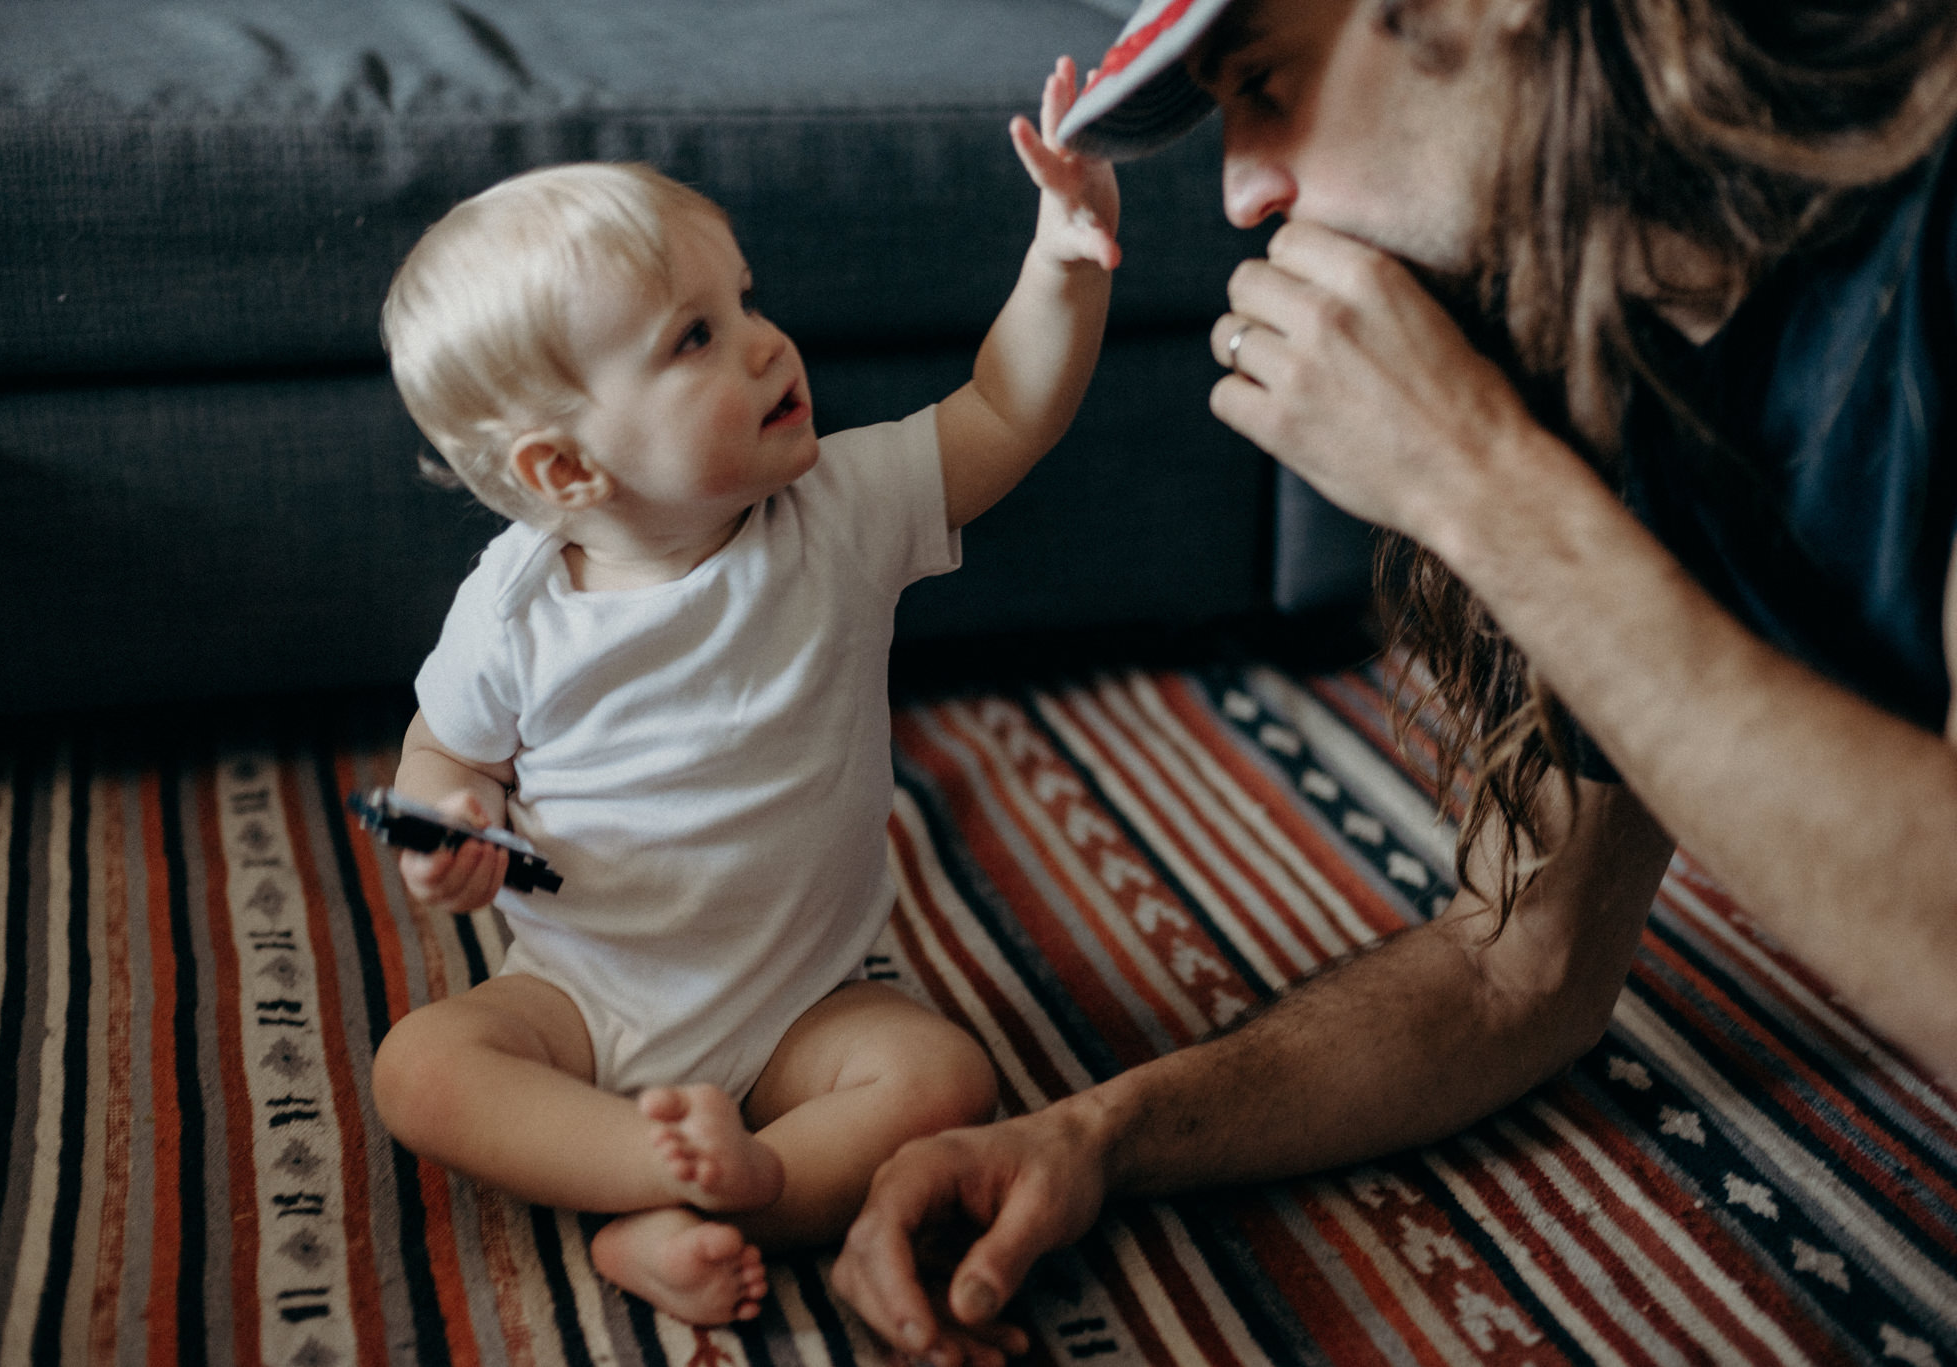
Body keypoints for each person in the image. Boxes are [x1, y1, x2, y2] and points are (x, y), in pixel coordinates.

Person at [829, 0, 1957, 1362]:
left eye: (1267, 84)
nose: (1243, 193)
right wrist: (1092, 1134)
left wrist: (1474, 483)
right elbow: (1516, 967)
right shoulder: (1621, 353)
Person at [367, 59, 1119, 1327]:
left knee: (943, 1074)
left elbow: (1009, 405)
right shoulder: (517, 607)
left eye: (743, 300)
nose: (769, 340)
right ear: (568, 465)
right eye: (695, 337)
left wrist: (1064, 254)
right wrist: (444, 826)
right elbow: (445, 752)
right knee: (422, 1068)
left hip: (804, 999)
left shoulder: (841, 509)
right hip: (585, 994)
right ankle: (647, 1180)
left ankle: (696, 1202)